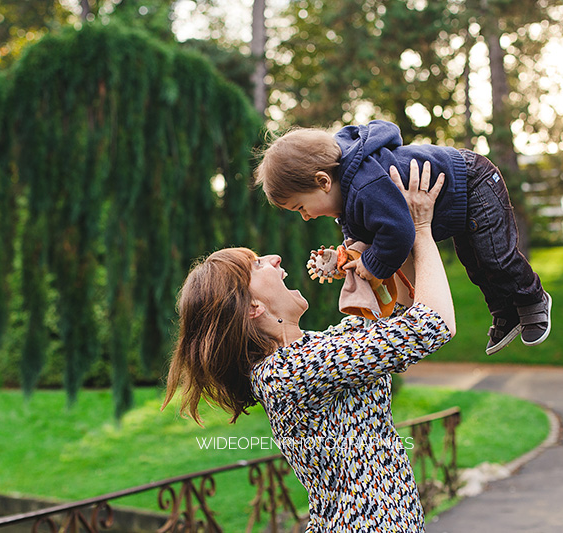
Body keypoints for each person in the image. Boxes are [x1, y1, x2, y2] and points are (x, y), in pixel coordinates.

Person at [163, 160, 455, 531]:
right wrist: (422, 230)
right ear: (252, 307)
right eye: (256, 265)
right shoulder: (287, 372)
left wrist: (378, 251)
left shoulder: (315, 348)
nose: (274, 259)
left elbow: (405, 311)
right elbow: (432, 325)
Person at [254, 119, 551, 355]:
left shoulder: (365, 183)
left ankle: (533, 299)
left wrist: (371, 264)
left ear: (322, 181)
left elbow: (398, 233)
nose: (305, 216)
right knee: (475, 262)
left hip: (473, 182)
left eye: (301, 207)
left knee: (495, 256)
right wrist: (343, 255)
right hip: (455, 203)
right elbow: (361, 231)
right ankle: (504, 312)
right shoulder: (348, 191)